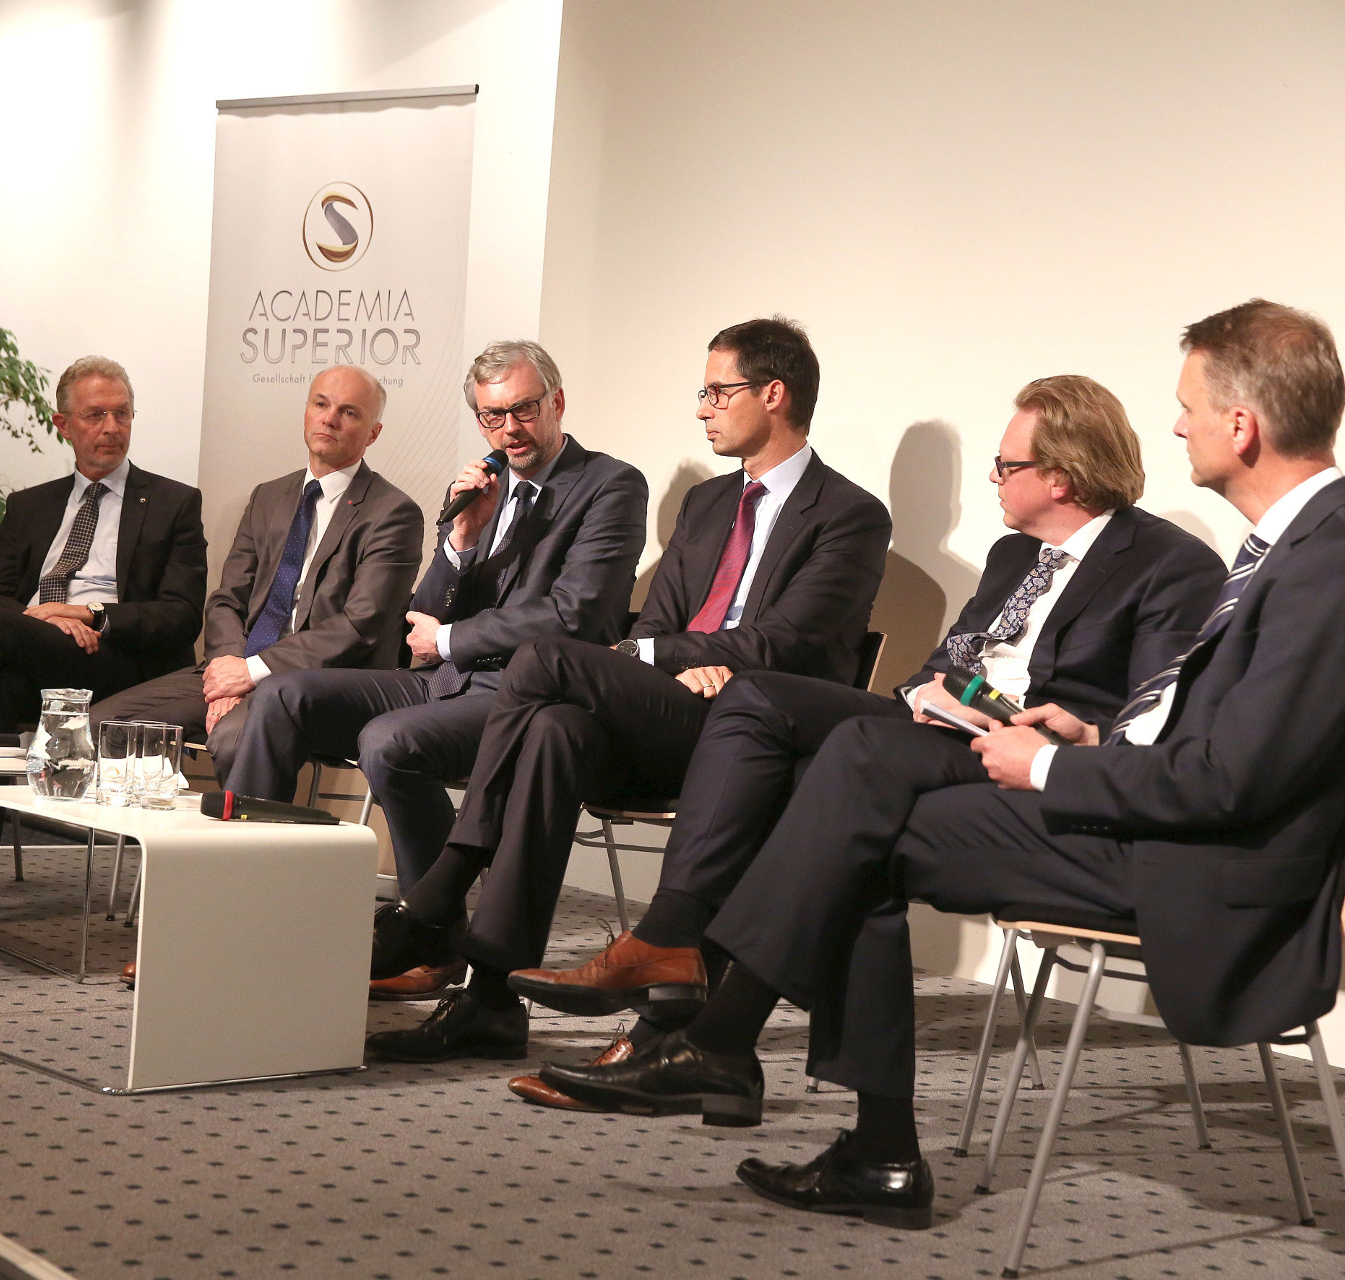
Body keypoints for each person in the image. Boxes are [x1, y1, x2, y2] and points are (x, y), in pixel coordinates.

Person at [541, 301, 1345, 1230]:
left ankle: (736, 1049)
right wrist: (1092, 741)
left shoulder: (1336, 567)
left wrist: (1048, 769)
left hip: (1205, 875)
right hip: (1156, 822)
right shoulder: (1306, 550)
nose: (1177, 427)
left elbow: (1228, 785)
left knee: (858, 801)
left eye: (1189, 407)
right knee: (857, 816)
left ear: (1241, 426)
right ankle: (844, 1132)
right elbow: (1219, 743)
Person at [504, 373, 1227, 1106]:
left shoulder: (1169, 564)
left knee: (821, 785)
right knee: (756, 699)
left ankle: (683, 1006)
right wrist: (926, 694)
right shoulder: (1014, 557)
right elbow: (943, 664)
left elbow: (1152, 718)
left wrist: (1071, 730)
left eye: (1006, 466)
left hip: (1024, 759)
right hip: (938, 731)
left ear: (1062, 478)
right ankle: (685, 980)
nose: (993, 478)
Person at [364, 316, 894, 1058]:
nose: (702, 408)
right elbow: (662, 623)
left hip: (752, 733)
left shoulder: (850, 515)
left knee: (543, 657)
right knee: (553, 730)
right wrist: (668, 659)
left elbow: (784, 642)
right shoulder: (708, 503)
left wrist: (659, 655)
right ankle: (491, 1002)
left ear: (773, 394)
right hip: (669, 713)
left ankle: (447, 881)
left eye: (717, 392)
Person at [224, 339, 649, 918]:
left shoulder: (610, 484)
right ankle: (246, 901)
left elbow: (577, 613)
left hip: (529, 693)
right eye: (492, 416)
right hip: (447, 681)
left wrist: (449, 640)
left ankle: (432, 925)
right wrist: (461, 542)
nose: (510, 429)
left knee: (390, 740)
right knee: (282, 694)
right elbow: (422, 614)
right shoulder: (487, 487)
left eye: (524, 409)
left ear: (557, 403)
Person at [0, 355, 207, 925]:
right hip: (41, 648)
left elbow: (180, 617)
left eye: (122, 414)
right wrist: (48, 623)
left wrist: (88, 613)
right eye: (95, 415)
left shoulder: (174, 503)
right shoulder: (30, 505)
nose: (111, 427)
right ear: (63, 424)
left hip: (120, 661)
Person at [90, 366, 422, 774]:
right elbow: (227, 601)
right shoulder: (268, 496)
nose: (329, 419)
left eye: (349, 412)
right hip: (241, 664)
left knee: (237, 740)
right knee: (100, 724)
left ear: (373, 433)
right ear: (306, 411)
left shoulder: (393, 513)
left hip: (323, 682)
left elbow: (359, 625)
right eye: (321, 404)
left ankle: (245, 820)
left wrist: (251, 672)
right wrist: (230, 669)